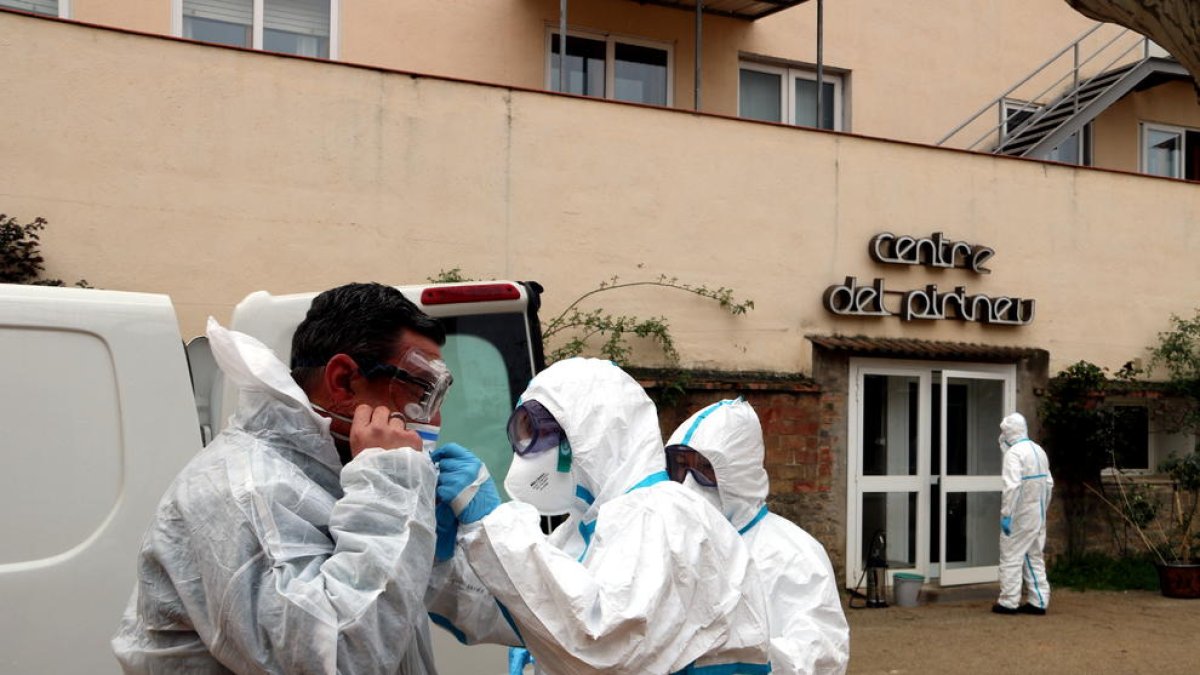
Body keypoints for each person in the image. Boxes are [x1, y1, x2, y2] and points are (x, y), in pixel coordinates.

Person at [112, 282, 451, 673]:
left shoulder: (335, 479)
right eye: (423, 390)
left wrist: (462, 530)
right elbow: (337, 660)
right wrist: (391, 491)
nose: (433, 418)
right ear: (342, 380)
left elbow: (404, 609)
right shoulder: (244, 490)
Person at [430, 357, 771, 674]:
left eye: (534, 432)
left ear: (586, 431)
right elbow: (518, 609)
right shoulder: (582, 532)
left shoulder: (666, 515)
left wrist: (492, 524)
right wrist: (444, 564)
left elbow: (603, 641)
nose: (529, 451)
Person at [666, 398, 850, 675]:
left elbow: (821, 657)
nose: (689, 483)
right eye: (681, 467)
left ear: (738, 474)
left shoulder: (795, 555)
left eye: (705, 469)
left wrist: (730, 660)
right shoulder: (669, 542)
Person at [992, 411, 1054, 616]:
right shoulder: (1038, 450)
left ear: (1009, 432)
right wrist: (1043, 509)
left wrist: (1007, 514)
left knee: (1011, 556)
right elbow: (1049, 484)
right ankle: (1039, 601)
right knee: (1033, 555)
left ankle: (1008, 601)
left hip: (1020, 515)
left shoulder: (1014, 454)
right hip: (1037, 514)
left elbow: (1012, 487)